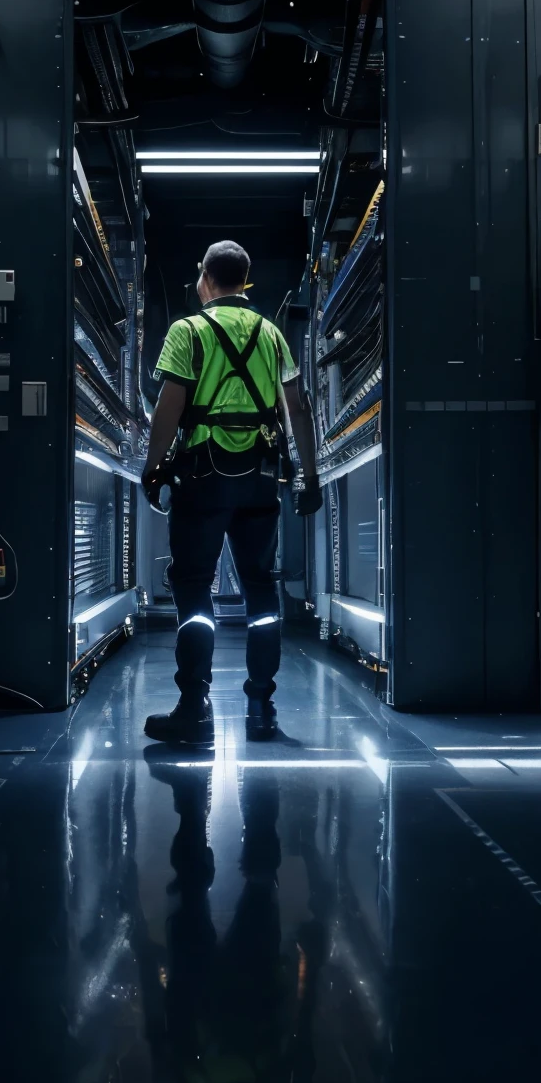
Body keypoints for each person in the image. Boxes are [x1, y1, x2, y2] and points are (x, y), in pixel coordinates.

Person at [141, 240, 322, 746]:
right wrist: (310, 476)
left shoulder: (187, 331)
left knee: (195, 587)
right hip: (262, 479)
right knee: (260, 588)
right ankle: (261, 704)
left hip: (202, 479)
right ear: (244, 281)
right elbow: (298, 408)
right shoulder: (271, 335)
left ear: (204, 278)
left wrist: (153, 469)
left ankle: (194, 707)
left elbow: (169, 409)